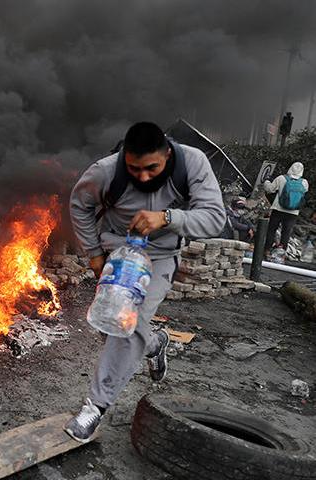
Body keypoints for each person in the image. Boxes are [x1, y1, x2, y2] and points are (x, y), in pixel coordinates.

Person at [67, 122, 225, 442]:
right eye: (134, 168)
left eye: (151, 167)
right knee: (111, 325)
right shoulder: (106, 172)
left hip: (160, 258)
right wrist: (95, 255)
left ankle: (95, 407)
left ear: (167, 153)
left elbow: (215, 218)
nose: (142, 176)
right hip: (117, 256)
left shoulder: (192, 164)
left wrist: (168, 218)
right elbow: (79, 205)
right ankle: (155, 343)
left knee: (128, 322)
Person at [263, 162, 308, 257]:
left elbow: (270, 189)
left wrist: (266, 181)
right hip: (293, 212)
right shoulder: (304, 182)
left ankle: (267, 251)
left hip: (278, 209)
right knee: (286, 233)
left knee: (272, 230)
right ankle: (281, 254)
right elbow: (303, 194)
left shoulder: (281, 178)